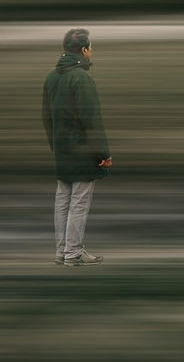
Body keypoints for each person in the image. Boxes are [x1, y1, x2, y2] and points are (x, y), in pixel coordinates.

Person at [42, 27, 112, 267]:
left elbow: (46, 118)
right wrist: (103, 153)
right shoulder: (82, 78)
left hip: (62, 150)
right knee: (79, 202)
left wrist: (56, 146)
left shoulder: (52, 77)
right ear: (84, 50)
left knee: (62, 200)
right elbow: (91, 120)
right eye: (90, 48)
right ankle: (74, 252)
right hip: (82, 152)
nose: (92, 52)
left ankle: (61, 251)